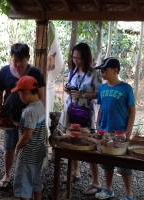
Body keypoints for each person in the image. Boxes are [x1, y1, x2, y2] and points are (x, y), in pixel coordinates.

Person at [0, 43, 45, 188]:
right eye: (14, 60)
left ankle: (29, 176)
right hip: (10, 117)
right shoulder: (4, 71)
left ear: (28, 58)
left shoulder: (35, 72)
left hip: (30, 119)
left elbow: (41, 93)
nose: (17, 64)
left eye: (21, 61)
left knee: (29, 146)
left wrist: (41, 113)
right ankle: (7, 174)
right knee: (9, 147)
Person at [57, 42, 102, 194]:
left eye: (79, 58)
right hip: (71, 111)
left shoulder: (94, 74)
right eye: (74, 57)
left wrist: (82, 94)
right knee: (73, 141)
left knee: (89, 145)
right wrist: (67, 89)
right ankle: (75, 171)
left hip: (85, 113)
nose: (76, 61)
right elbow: (72, 89)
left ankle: (96, 182)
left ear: (87, 58)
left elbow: (99, 94)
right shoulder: (73, 71)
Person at [94, 57, 136, 200]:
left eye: (104, 70)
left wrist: (127, 133)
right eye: (101, 70)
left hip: (120, 133)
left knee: (124, 165)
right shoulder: (102, 88)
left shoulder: (126, 88)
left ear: (115, 71)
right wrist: (97, 125)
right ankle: (108, 189)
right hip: (104, 131)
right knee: (106, 162)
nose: (102, 72)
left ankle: (129, 194)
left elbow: (132, 111)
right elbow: (100, 108)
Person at [10, 75, 46, 200]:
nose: (19, 97)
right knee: (36, 180)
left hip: (28, 154)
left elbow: (27, 134)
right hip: (38, 153)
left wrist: (18, 146)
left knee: (23, 186)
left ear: (26, 92)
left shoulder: (30, 111)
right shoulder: (40, 106)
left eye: (19, 94)